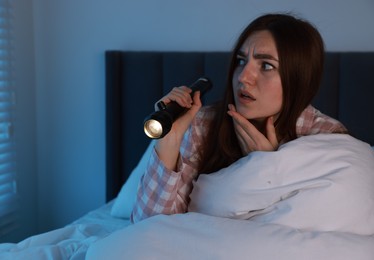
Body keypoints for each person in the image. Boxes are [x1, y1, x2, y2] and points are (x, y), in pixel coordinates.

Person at [131, 13, 348, 223]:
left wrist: (265, 168)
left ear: (299, 79)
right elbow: (148, 228)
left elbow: (317, 229)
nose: (243, 77)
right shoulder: (203, 125)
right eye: (241, 61)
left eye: (266, 66)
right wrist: (170, 140)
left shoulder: (327, 136)